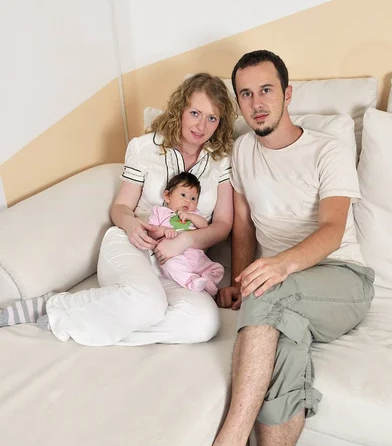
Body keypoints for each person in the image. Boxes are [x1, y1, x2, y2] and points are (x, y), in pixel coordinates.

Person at [172, 50, 375, 446]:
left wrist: (277, 269)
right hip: (281, 290)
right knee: (283, 350)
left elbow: (332, 230)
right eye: (246, 93)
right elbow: (242, 230)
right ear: (238, 102)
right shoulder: (241, 151)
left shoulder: (327, 149)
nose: (256, 102)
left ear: (288, 95)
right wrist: (241, 281)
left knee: (269, 291)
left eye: (267, 90)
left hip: (341, 281)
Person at [0, 74, 235, 346]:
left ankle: (83, 315)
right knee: (148, 304)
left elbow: (223, 225)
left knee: (203, 323)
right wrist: (132, 225)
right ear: (180, 109)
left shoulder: (220, 162)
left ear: (220, 123)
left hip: (181, 265)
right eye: (195, 112)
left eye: (212, 118)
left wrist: (186, 240)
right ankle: (54, 308)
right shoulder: (145, 148)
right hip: (132, 245)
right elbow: (121, 207)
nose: (201, 125)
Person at [147, 171, 224, 295]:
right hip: (174, 256)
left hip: (196, 255)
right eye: (183, 195)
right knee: (170, 266)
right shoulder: (160, 212)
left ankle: (208, 282)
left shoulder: (195, 214)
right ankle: (191, 282)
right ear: (167, 196)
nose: (188, 201)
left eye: (193, 199)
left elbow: (205, 226)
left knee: (217, 268)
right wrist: (164, 231)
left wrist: (191, 217)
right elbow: (151, 232)